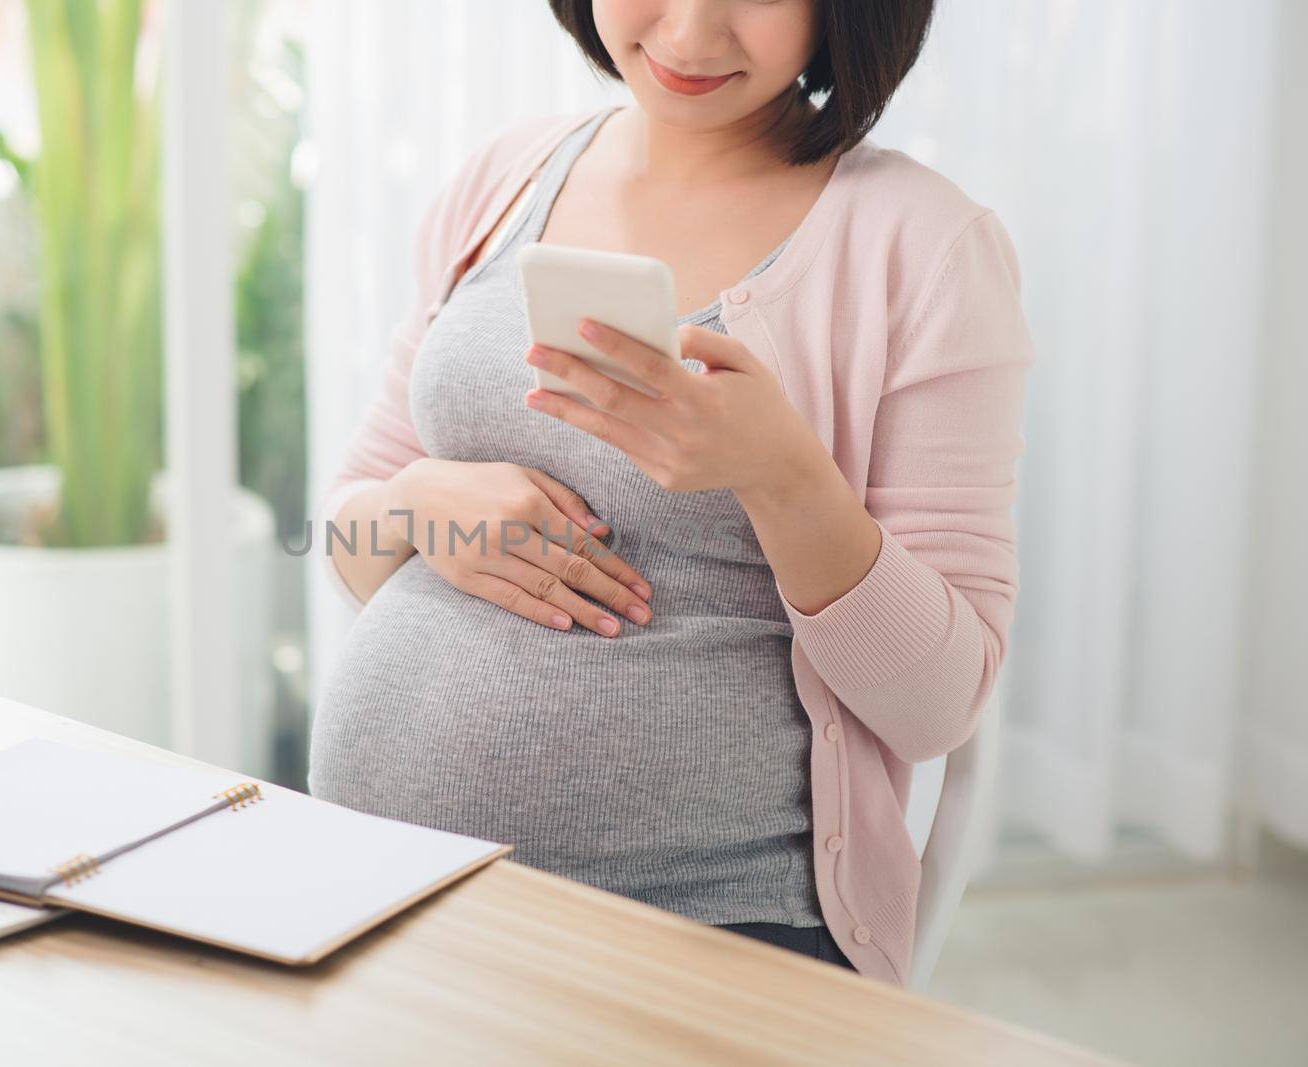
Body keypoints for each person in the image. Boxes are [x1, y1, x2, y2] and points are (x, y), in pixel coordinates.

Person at [308, 0, 1034, 987]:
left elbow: (938, 704)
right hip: (383, 895)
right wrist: (415, 506)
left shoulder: (925, 248)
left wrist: (781, 475)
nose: (690, 34)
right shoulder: (504, 177)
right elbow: (349, 535)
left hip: (700, 927)